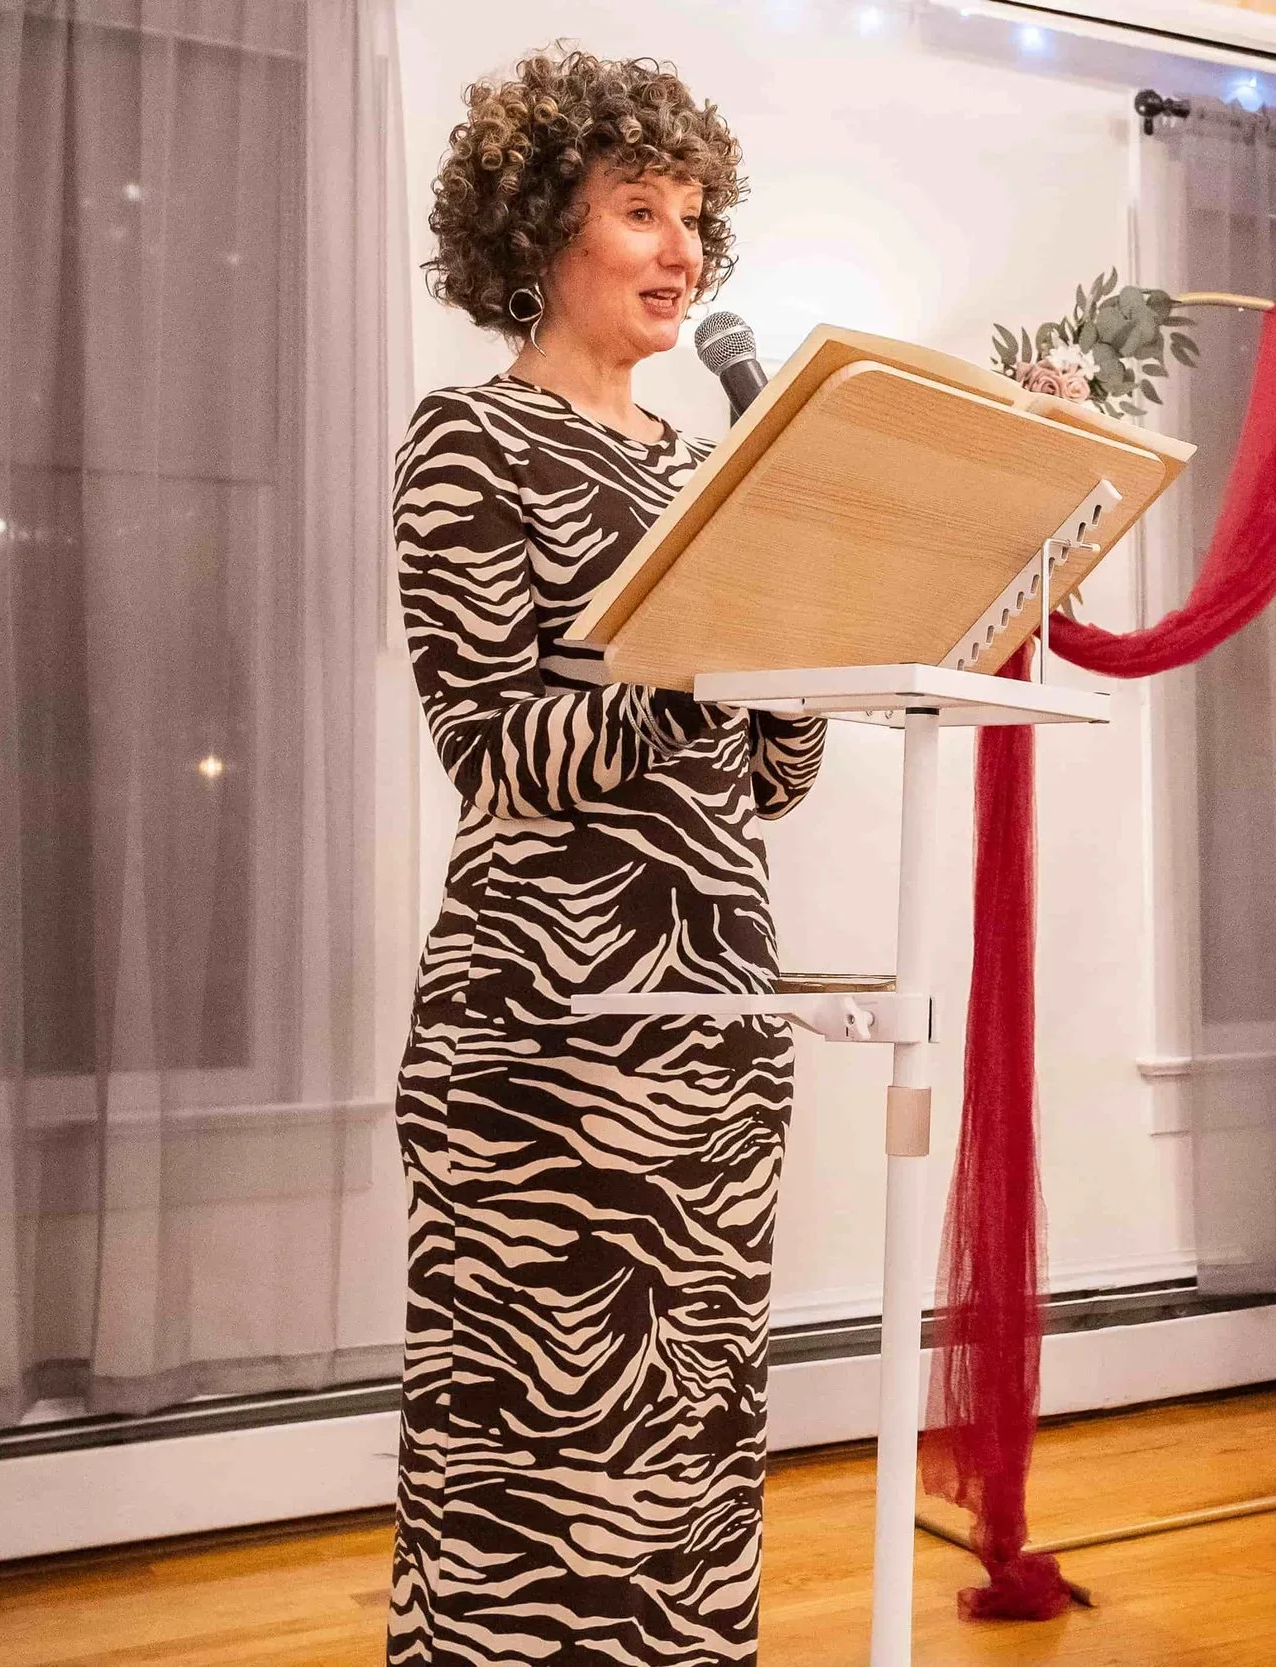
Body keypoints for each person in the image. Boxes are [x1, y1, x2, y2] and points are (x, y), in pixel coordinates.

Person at [387, 50, 826, 1666]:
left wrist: (796, 610)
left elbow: (764, 770)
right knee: (525, 1470)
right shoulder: (467, 444)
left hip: (712, 1033)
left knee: (686, 1468)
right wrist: (685, 620)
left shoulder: (709, 472)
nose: (679, 248)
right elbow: (509, 750)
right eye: (638, 210)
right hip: (539, 1048)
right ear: (536, 233)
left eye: (693, 216)